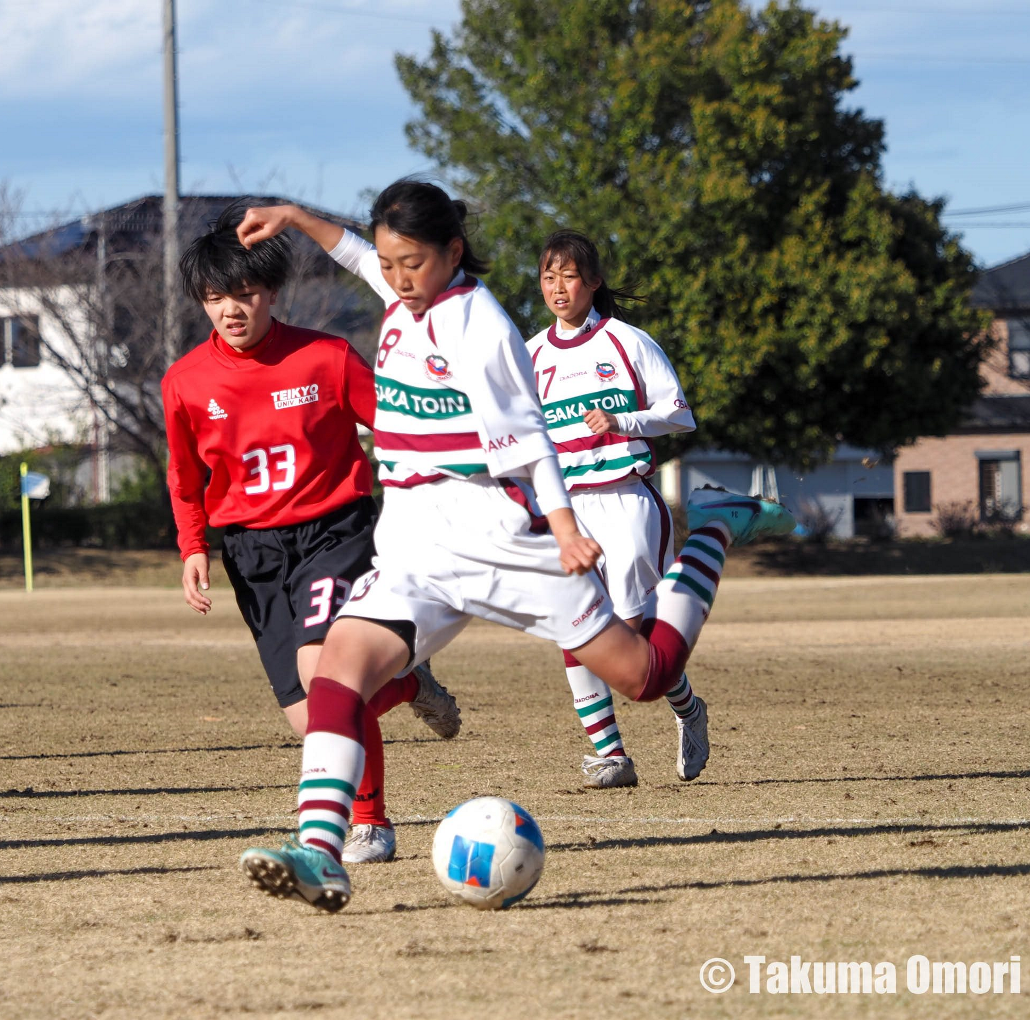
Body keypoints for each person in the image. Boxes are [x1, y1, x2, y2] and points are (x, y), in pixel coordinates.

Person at [233, 179, 795, 912]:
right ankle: (321, 852)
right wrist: (296, 217)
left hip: (502, 537)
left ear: (453, 252)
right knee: (338, 676)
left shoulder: (481, 326)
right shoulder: (401, 290)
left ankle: (717, 524)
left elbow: (529, 440)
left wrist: (563, 528)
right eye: (392, 263)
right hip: (415, 543)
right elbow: (356, 254)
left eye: (414, 263)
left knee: (647, 674)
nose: (398, 278)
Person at [161, 202, 460, 865]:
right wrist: (193, 549)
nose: (231, 309)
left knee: (326, 675)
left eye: (244, 293)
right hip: (253, 553)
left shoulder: (325, 357)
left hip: (337, 532)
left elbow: (397, 428)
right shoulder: (184, 382)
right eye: (215, 297)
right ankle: (411, 684)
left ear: (270, 292)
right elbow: (184, 479)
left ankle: (370, 825)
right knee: (308, 718)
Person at [526, 229, 703, 788]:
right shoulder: (528, 355)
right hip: (565, 511)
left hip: (626, 498)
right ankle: (611, 755)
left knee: (633, 638)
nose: (558, 287)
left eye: (569, 275)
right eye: (549, 276)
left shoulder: (628, 342)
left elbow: (679, 414)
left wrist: (624, 422)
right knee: (575, 626)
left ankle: (687, 708)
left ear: (592, 282)